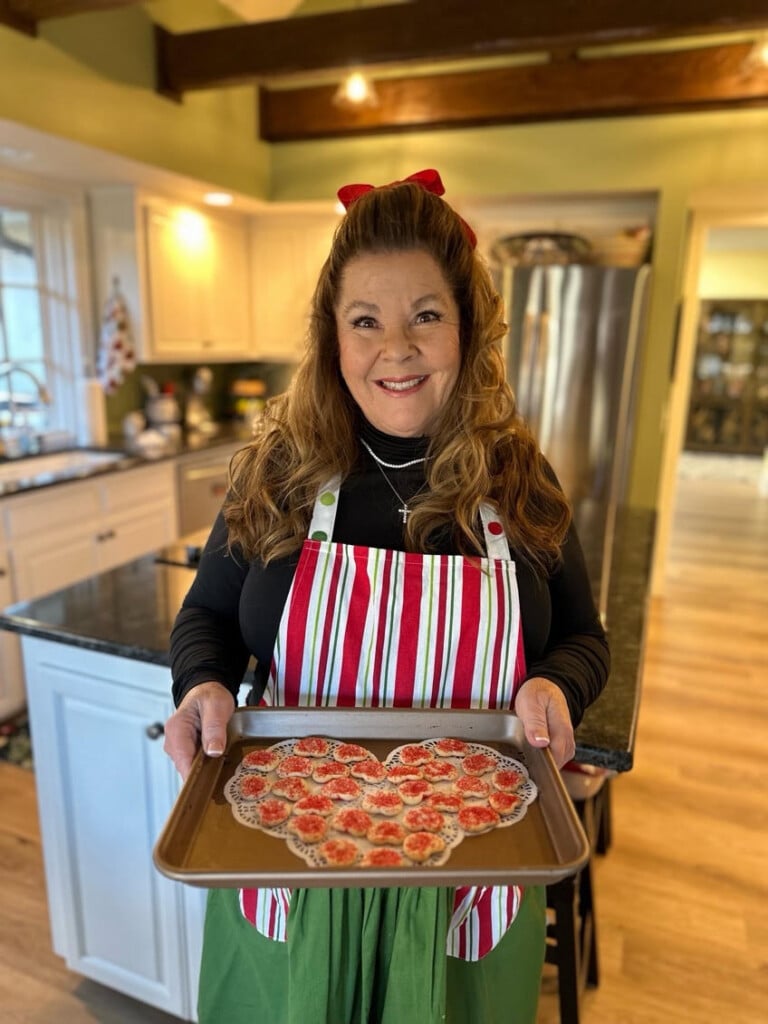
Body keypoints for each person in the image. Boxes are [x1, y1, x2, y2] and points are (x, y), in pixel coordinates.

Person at [164, 168, 610, 1024]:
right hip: (287, 872)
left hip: (469, 883)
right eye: (365, 321)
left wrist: (557, 688)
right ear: (333, 336)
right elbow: (207, 620)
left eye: (426, 317)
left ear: (467, 329)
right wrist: (202, 686)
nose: (395, 350)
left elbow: (584, 639)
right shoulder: (282, 473)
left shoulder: (518, 482)